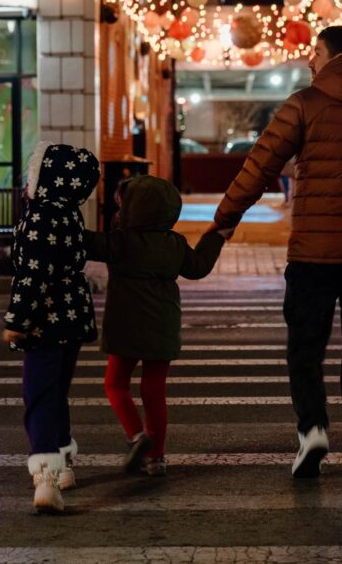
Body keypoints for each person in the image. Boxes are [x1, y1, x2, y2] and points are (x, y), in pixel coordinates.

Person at [211, 25, 342, 479]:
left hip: (312, 255)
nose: (310, 60)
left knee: (306, 345)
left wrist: (224, 219)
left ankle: (313, 430)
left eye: (316, 51)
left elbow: (259, 164)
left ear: (335, 56)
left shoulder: (304, 105)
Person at [85, 175, 233, 476]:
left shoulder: (120, 242)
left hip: (125, 324)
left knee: (115, 383)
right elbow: (198, 267)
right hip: (162, 325)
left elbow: (85, 242)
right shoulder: (174, 244)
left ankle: (137, 436)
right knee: (153, 390)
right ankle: (157, 457)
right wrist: (215, 236)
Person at [2, 142, 101, 514]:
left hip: (45, 319)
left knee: (39, 396)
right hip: (73, 316)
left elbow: (33, 274)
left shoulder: (41, 216)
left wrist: (17, 321)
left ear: (48, 181)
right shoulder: (70, 214)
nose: (29, 181)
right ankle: (64, 464)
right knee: (56, 391)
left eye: (33, 174)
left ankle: (45, 476)